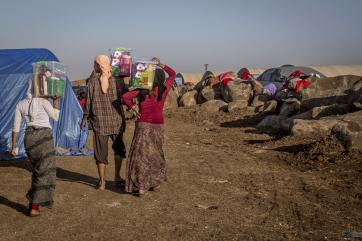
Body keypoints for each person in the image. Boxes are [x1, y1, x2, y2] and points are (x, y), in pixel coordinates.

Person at [122, 57, 175, 196]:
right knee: (155, 154)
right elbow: (173, 74)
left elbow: (125, 97)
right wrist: (160, 63)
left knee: (140, 155)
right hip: (158, 125)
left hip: (142, 124)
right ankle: (153, 182)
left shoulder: (142, 90)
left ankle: (141, 187)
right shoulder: (164, 89)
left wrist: (133, 108)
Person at [11, 82, 60, 217]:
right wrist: (56, 101)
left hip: (29, 139)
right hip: (44, 139)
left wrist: (14, 146)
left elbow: (15, 128)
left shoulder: (20, 104)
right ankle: (34, 207)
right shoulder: (43, 102)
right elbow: (55, 117)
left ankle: (33, 204)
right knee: (45, 173)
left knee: (38, 171)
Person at [81, 55, 126, 190]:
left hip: (99, 123)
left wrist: (85, 118)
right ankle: (117, 176)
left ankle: (102, 182)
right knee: (119, 150)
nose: (93, 66)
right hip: (116, 122)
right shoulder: (118, 81)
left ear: (98, 66)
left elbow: (88, 104)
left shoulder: (92, 83)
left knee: (100, 153)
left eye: (94, 64)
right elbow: (125, 98)